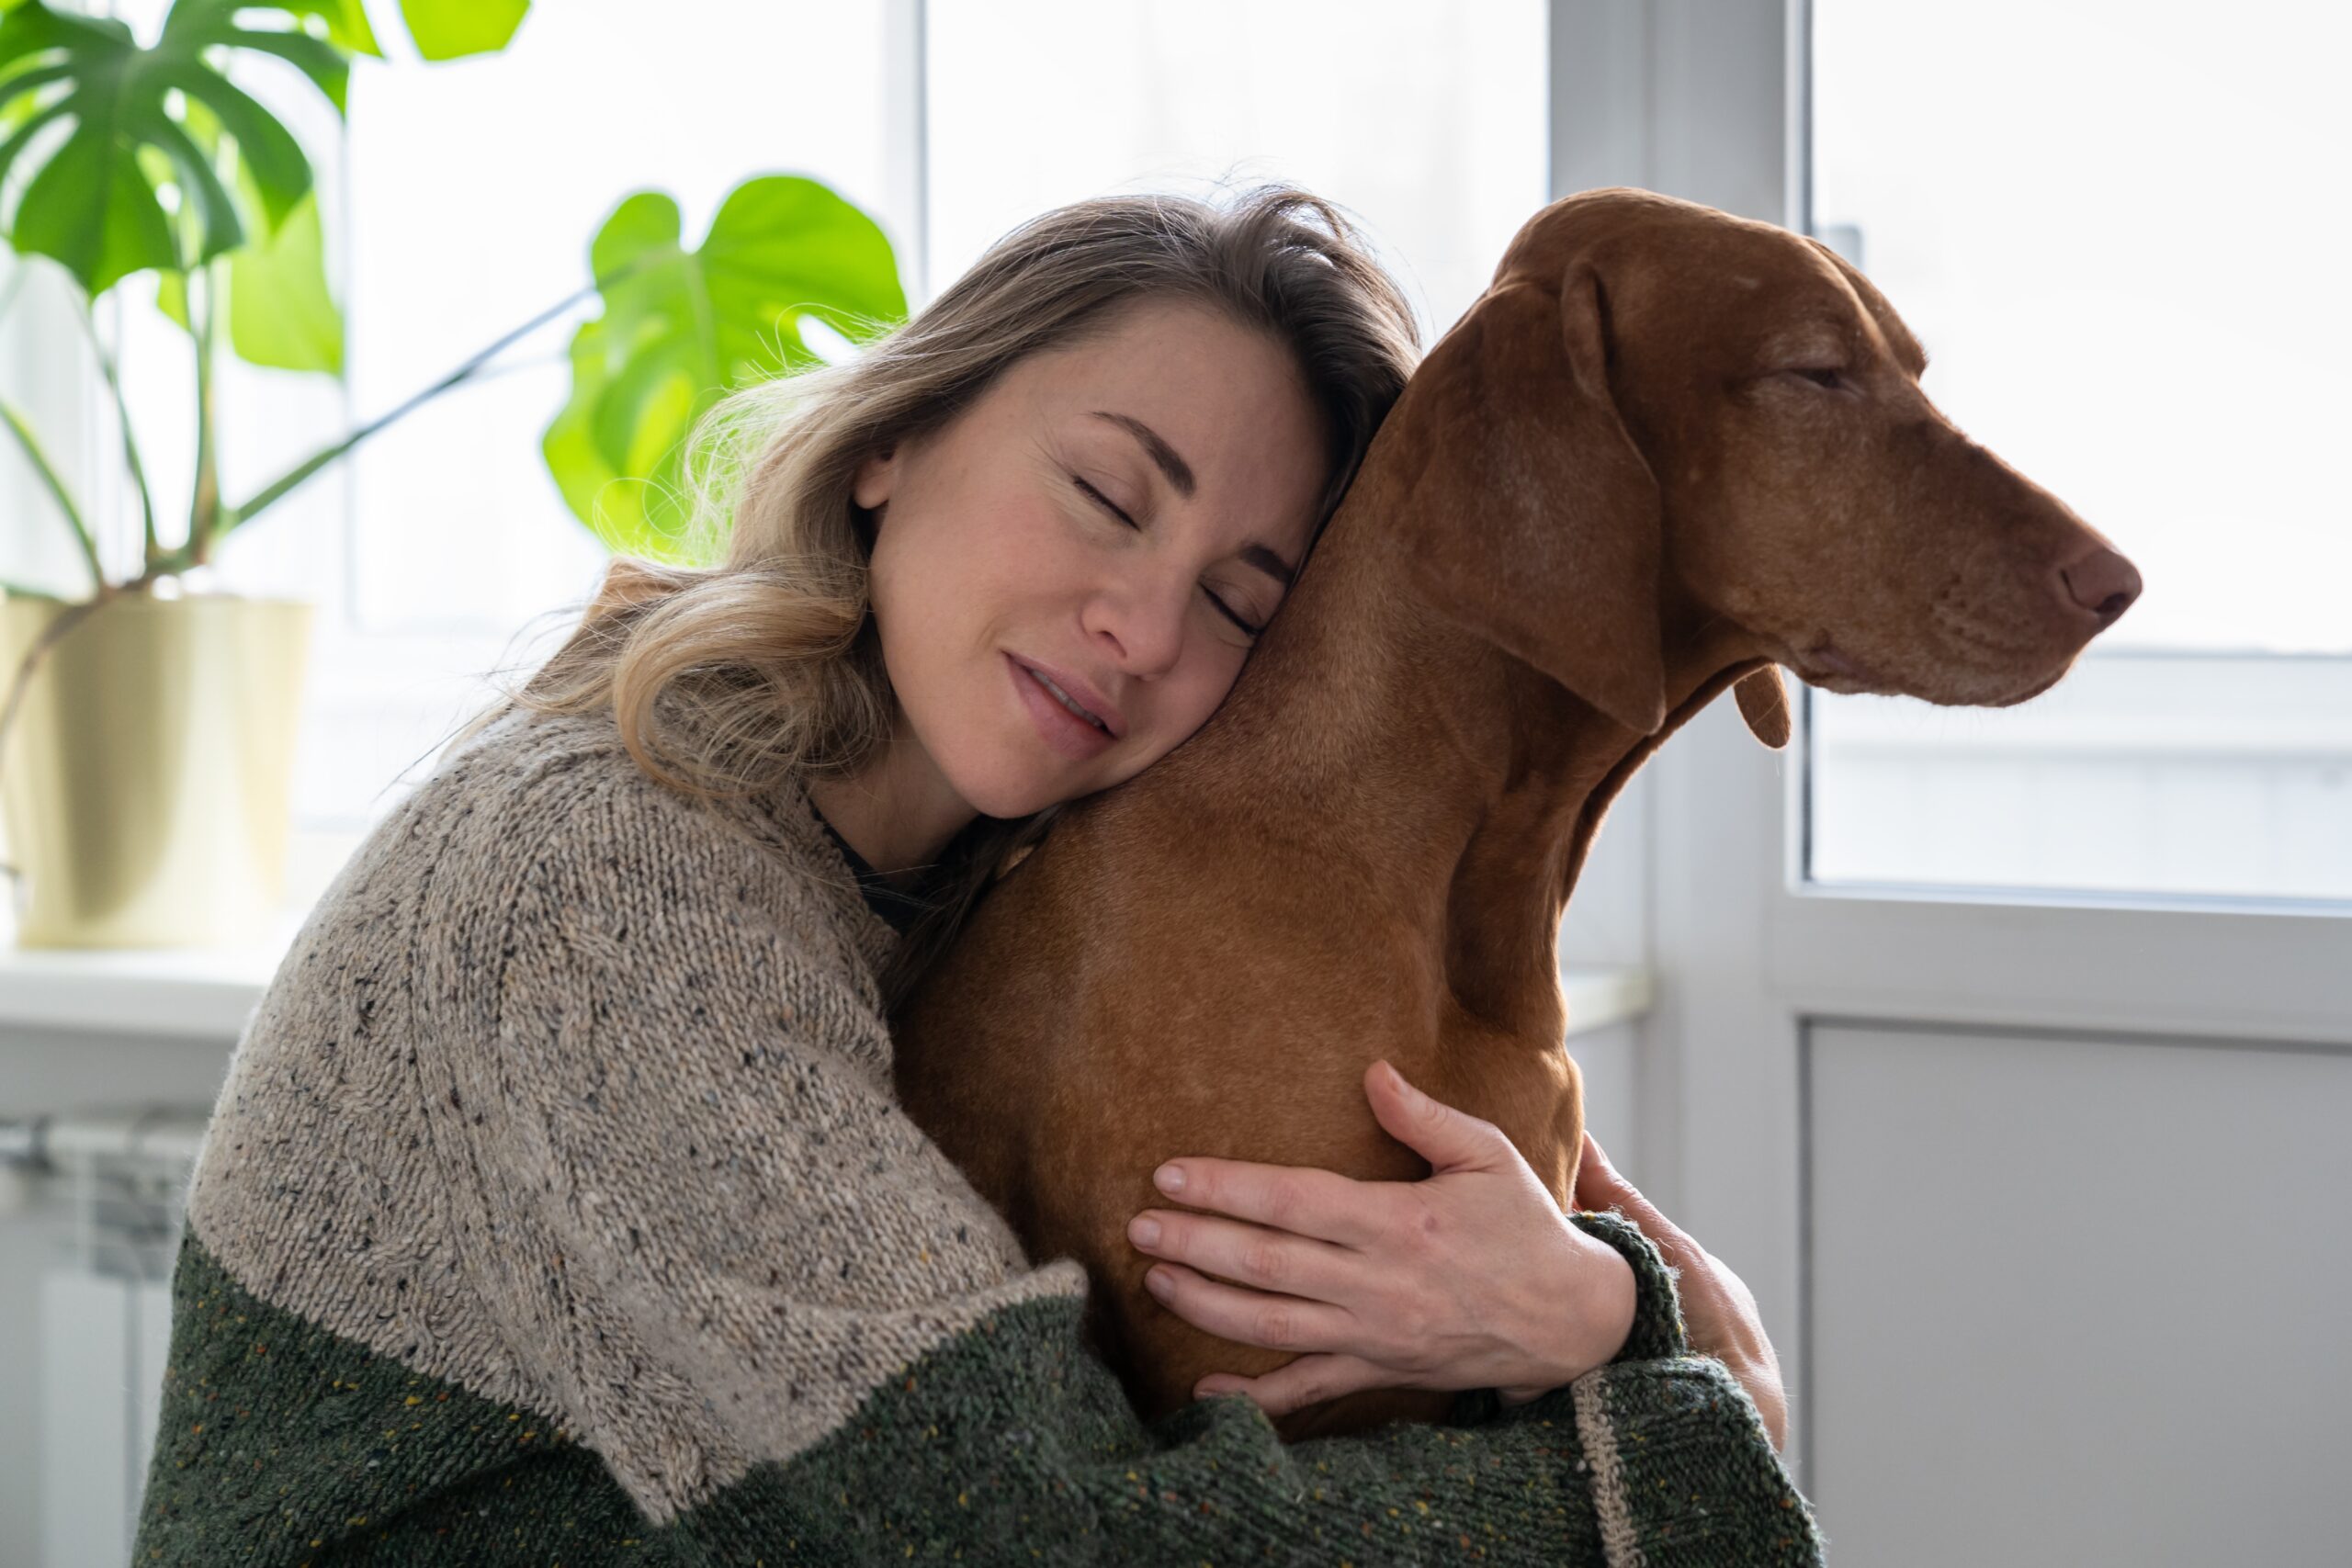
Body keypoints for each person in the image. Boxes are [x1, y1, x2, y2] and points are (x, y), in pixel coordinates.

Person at [131, 185, 1821, 1565]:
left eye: (1243, 601)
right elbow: (1028, 1530)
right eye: (1103, 493)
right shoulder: (603, 879)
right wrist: (1673, 1467)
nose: (1144, 627)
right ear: (898, 439)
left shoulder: (995, 900)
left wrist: (1612, 1303)